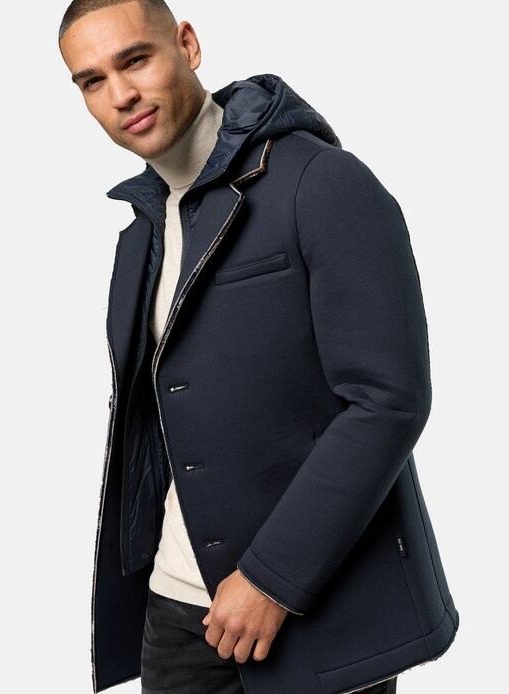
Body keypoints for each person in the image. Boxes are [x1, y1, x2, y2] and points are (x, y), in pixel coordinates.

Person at [58, 1, 459, 692]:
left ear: (187, 45)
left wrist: (273, 578)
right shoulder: (142, 231)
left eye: (135, 60)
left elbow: (387, 399)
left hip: (311, 608)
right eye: (92, 81)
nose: (120, 95)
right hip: (177, 613)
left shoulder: (321, 182)